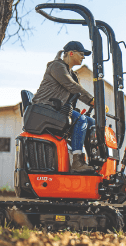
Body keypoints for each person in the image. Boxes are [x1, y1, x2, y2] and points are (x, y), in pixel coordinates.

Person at [32, 41, 96, 173]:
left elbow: (74, 94)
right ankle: (78, 161)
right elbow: (72, 87)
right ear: (71, 53)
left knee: (92, 123)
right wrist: (92, 100)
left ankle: (92, 160)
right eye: (81, 54)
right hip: (44, 108)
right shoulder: (57, 66)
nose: (83, 57)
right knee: (80, 120)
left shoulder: (72, 73)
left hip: (56, 109)